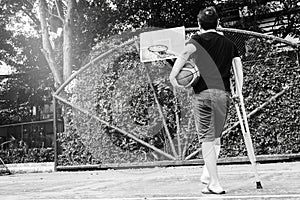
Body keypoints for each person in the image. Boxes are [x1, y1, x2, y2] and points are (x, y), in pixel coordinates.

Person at [169, 6, 243, 194]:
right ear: (218, 23)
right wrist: (239, 91)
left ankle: (215, 183)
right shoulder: (229, 44)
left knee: (207, 140)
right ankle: (207, 174)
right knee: (215, 138)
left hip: (202, 94)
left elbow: (185, 53)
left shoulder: (197, 40)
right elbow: (238, 69)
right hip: (222, 95)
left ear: (199, 24)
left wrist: (173, 75)